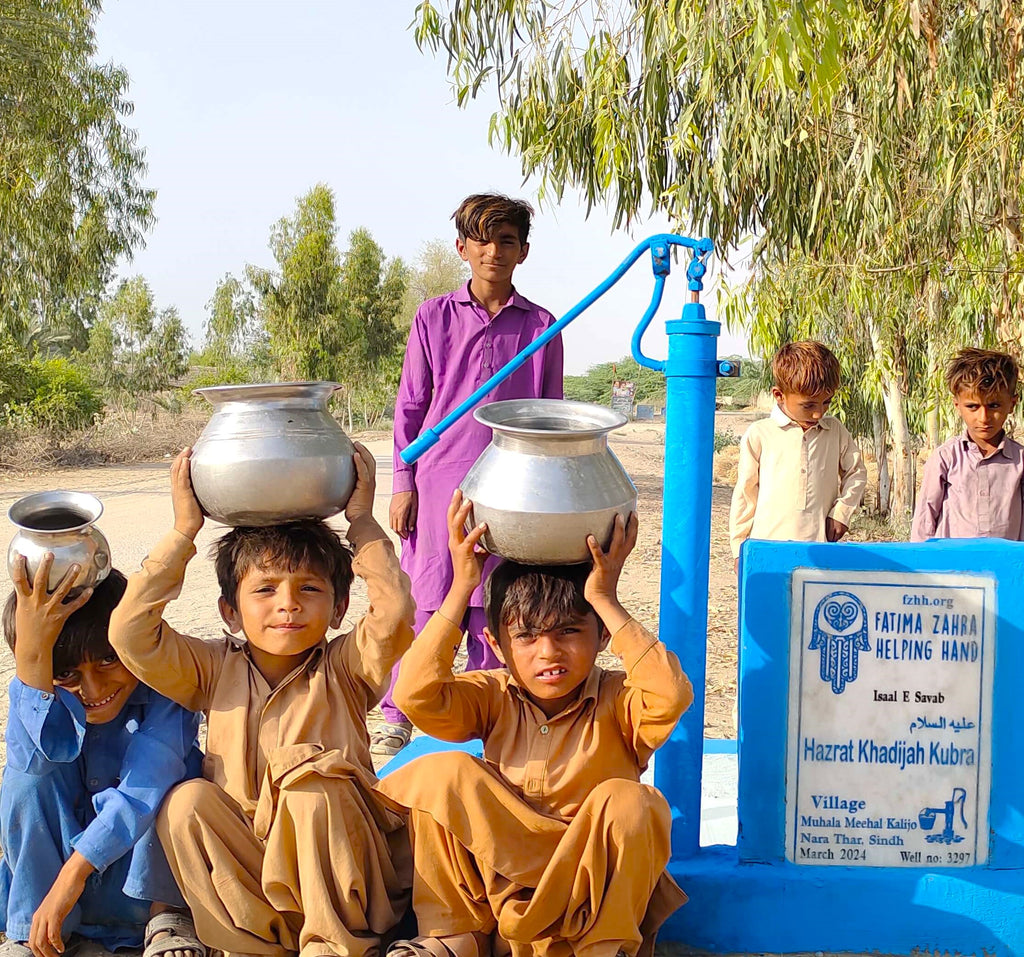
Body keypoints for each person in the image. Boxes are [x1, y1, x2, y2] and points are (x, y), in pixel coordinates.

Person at [107, 445, 416, 957]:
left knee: (310, 781)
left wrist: (360, 521)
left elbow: (396, 610)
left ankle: (332, 945)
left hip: (347, 881)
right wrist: (185, 531)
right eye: (265, 589)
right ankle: (253, 944)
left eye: (309, 589)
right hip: (254, 874)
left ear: (339, 608)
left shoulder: (347, 666)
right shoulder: (211, 668)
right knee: (187, 803)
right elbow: (131, 632)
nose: (288, 603)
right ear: (230, 611)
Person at [376, 492, 691, 957]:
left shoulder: (621, 699)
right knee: (442, 774)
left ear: (601, 634)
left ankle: (607, 949)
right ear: (496, 645)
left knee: (633, 802)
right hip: (502, 891)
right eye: (526, 636)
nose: (548, 654)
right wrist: (463, 587)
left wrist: (605, 598)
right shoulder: (493, 694)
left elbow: (671, 695)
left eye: (568, 631)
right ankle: (450, 938)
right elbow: (414, 695)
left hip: (589, 889)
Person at [382, 192, 564, 756]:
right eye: (482, 239)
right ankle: (399, 711)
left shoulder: (542, 325)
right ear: (462, 247)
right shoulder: (433, 316)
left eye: (506, 240)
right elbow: (411, 406)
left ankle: (495, 715)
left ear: (523, 252)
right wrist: (403, 482)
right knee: (433, 599)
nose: (494, 250)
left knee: (498, 602)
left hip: (512, 487)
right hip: (439, 482)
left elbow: (550, 415)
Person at [0, 559, 204, 957]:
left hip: (141, 882)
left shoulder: (167, 687)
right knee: (27, 781)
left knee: (180, 787)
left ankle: (168, 918)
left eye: (109, 660)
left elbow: (146, 783)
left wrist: (74, 874)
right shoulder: (34, 685)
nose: (93, 689)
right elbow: (29, 769)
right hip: (51, 894)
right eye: (68, 675)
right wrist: (31, 656)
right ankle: (30, 930)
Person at [729, 340, 867, 564]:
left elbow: (857, 472)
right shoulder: (760, 434)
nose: (818, 414)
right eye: (809, 405)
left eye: (826, 403)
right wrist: (739, 548)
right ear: (779, 395)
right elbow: (746, 493)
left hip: (819, 551)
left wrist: (841, 512)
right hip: (767, 550)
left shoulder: (835, 432)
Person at [912, 347, 1024, 541]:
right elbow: (925, 518)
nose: (984, 417)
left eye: (994, 406)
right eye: (972, 406)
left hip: (1005, 567)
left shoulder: (1020, 460)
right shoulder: (945, 458)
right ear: (957, 405)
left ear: (1012, 404)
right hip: (952, 567)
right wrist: (920, 566)